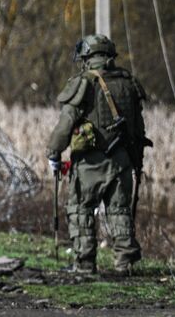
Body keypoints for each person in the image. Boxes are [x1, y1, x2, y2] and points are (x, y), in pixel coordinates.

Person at [44, 34, 151, 274]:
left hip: (90, 163)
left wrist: (53, 152)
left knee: (81, 209)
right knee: (119, 211)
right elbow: (138, 127)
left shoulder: (84, 82)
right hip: (122, 160)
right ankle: (126, 263)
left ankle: (84, 263)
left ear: (88, 57)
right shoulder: (128, 82)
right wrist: (136, 161)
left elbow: (66, 122)